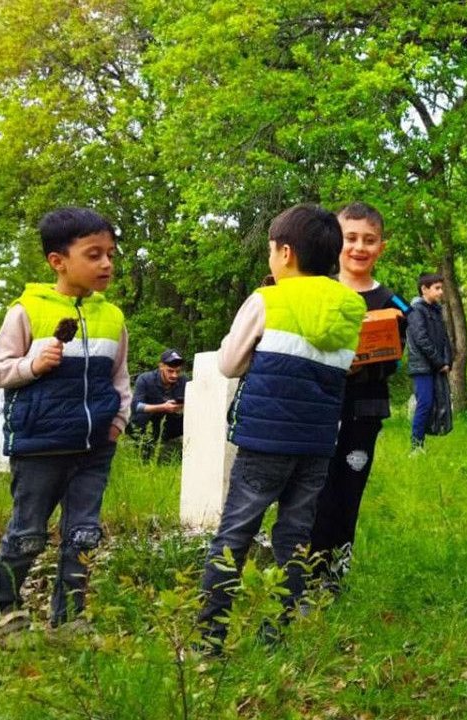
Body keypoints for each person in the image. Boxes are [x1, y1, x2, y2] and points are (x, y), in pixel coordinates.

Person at [197, 204, 366, 649]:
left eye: (272, 250)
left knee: (235, 532)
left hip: (263, 440)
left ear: (285, 253)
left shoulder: (267, 299)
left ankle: (209, 638)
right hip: (316, 443)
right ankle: (276, 635)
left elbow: (230, 363)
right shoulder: (351, 307)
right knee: (295, 537)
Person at [0, 207, 131, 643]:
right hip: (40, 445)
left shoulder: (113, 317)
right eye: (94, 254)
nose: (106, 263)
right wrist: (32, 364)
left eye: (110, 254)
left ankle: (69, 619)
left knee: (83, 533)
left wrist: (118, 421)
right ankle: (5, 613)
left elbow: (120, 378)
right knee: (28, 530)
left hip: (94, 447)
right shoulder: (27, 311)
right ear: (58, 261)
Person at [310, 202, 409, 588]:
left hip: (363, 412)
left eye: (368, 240)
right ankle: (303, 571)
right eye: (350, 238)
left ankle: (335, 575)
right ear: (336, 242)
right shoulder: (317, 292)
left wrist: (365, 364)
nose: (358, 247)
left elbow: (397, 361)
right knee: (312, 490)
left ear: (380, 247)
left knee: (347, 492)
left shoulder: (393, 304)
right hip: (317, 409)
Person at [406, 272, 454, 452]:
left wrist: (447, 361)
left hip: (435, 366)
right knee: (424, 404)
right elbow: (421, 339)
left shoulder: (436, 310)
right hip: (422, 367)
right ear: (424, 289)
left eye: (442, 288)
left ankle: (421, 443)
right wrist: (439, 362)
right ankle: (416, 446)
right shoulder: (416, 311)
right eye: (437, 288)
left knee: (435, 403)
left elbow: (444, 339)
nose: (441, 292)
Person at [130, 348, 188, 458]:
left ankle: (173, 448)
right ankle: (143, 448)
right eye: (170, 371)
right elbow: (136, 405)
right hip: (147, 422)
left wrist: (182, 405)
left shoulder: (184, 381)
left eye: (178, 371)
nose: (174, 375)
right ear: (161, 366)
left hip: (169, 422)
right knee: (140, 417)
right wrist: (162, 407)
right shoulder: (145, 379)